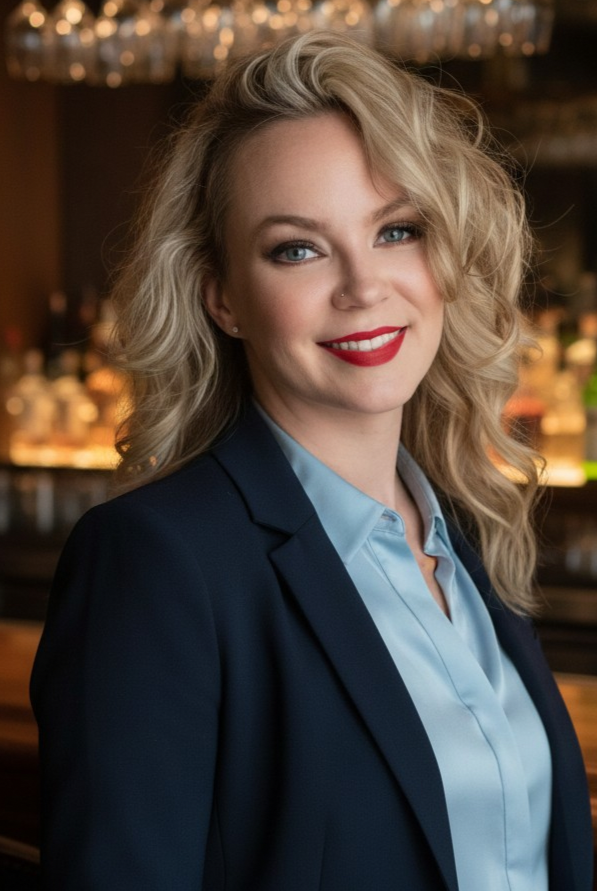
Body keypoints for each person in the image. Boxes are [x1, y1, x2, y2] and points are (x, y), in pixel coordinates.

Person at [31, 31, 592, 891]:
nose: (363, 286)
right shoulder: (156, 562)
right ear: (221, 295)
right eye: (297, 247)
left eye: (396, 230)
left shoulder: (462, 526)